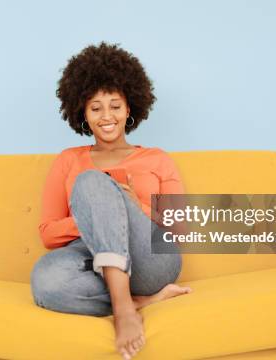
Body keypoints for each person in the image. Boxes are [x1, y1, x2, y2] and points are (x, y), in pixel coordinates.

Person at [30, 42, 192, 360]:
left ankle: (122, 314)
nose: (107, 116)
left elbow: (181, 230)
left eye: (115, 106)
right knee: (45, 282)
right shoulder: (68, 160)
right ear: (82, 113)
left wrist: (132, 207)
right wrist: (101, 210)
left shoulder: (156, 159)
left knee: (92, 180)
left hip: (151, 259)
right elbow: (48, 233)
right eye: (96, 108)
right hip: (92, 258)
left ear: (129, 108)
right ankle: (138, 302)